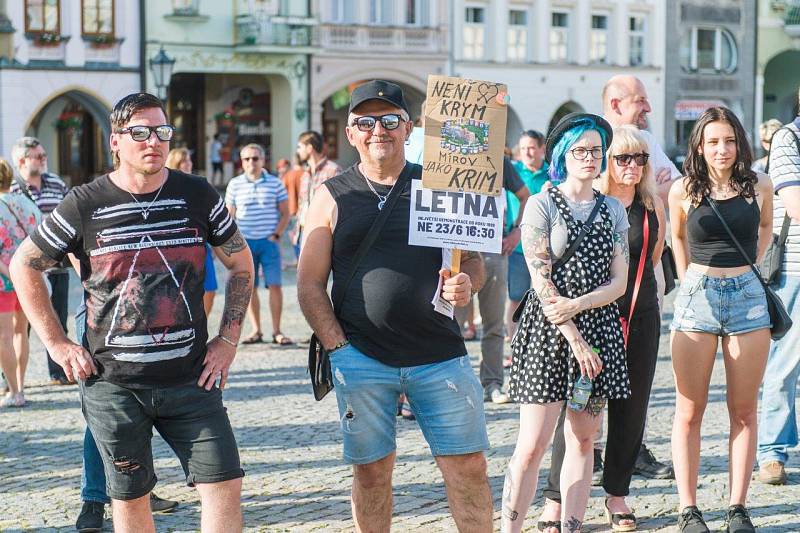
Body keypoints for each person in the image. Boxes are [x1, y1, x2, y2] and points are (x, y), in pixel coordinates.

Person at [10, 92, 253, 533]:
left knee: (224, 485)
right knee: (130, 497)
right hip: (114, 384)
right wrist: (58, 343)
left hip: (191, 378)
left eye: (162, 131)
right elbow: (24, 263)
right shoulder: (85, 204)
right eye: (139, 132)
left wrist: (228, 338)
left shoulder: (197, 194)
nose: (153, 142)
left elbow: (240, 262)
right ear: (115, 142)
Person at [297, 80, 493, 531]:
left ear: (409, 128)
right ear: (350, 133)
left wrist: (468, 284)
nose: (377, 130)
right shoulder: (331, 195)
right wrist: (338, 349)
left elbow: (476, 263)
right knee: (371, 474)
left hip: (440, 356)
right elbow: (309, 285)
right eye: (364, 122)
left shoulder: (441, 185)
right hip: (362, 357)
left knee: (468, 468)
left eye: (388, 120)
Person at [502, 113, 630, 533]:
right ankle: (510, 528)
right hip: (549, 335)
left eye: (596, 150)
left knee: (583, 438)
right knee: (533, 444)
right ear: (562, 154)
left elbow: (619, 281)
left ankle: (573, 526)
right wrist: (573, 333)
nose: (590, 158)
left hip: (598, 330)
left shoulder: (612, 208)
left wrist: (580, 305)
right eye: (581, 150)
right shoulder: (541, 202)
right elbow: (541, 279)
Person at [539, 125, 666, 532]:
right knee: (576, 409)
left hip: (641, 314)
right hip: (598, 319)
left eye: (640, 158)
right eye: (623, 158)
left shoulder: (651, 204)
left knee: (632, 409)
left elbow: (653, 259)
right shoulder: (595, 203)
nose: (633, 165)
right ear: (606, 162)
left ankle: (617, 494)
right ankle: (555, 498)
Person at [668, 106, 773, 533]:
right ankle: (689, 509)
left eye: (729, 140)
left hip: (748, 298)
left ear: (740, 143)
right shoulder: (683, 190)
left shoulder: (759, 185)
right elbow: (676, 234)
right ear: (700, 145)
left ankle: (737, 508)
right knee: (689, 410)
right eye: (713, 141)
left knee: (744, 409)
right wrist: (687, 274)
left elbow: (766, 227)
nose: (722, 149)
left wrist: (752, 265)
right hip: (698, 296)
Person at [601, 74, 677, 480]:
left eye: (639, 160)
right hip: (597, 297)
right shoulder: (589, 142)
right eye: (640, 100)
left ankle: (630, 456)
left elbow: (672, 194)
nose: (647, 108)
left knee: (635, 384)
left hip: (642, 283)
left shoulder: (650, 144)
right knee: (588, 390)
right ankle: (585, 460)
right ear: (615, 104)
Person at [453, 156, 529, 405]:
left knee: (494, 322)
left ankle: (492, 383)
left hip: (493, 249)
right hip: (456, 251)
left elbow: (525, 195)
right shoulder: (445, 156)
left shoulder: (499, 159)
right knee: (452, 325)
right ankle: (454, 386)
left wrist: (518, 231)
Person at [757, 102, 800, 486]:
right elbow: (795, 206)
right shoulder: (789, 139)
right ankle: (772, 451)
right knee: (785, 365)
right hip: (794, 271)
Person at [10, 136, 71, 386]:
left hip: (57, 266)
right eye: (38, 156)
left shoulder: (56, 183)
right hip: (28, 270)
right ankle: (11, 377)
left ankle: (59, 372)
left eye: (44, 155)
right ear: (23, 160)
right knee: (20, 326)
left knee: (58, 318)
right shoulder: (12, 190)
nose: (44, 160)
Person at [225, 143, 292, 345]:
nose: (251, 162)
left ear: (263, 160)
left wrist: (276, 235)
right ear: (242, 162)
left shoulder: (275, 183)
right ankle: (256, 330)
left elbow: (286, 213)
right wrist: (233, 242)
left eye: (255, 158)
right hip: (245, 245)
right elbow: (229, 216)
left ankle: (277, 331)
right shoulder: (234, 184)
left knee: (275, 286)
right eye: (247, 159)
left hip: (268, 242)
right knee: (249, 288)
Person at [0, 158, 40, 408]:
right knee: (20, 332)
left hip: (3, 279)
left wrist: (8, 271)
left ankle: (13, 390)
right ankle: (22, 388)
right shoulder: (27, 203)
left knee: (4, 335)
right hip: (27, 276)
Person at [506, 130, 549, 341]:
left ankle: (541, 345)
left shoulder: (554, 175)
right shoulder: (512, 171)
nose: (527, 152)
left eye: (532, 147)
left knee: (547, 296)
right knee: (516, 298)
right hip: (517, 247)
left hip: (546, 249)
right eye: (523, 148)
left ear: (542, 149)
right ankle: (514, 346)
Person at [296, 130, 341, 248]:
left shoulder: (333, 170)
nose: (298, 151)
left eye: (300, 147)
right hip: (303, 232)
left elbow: (339, 205)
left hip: (323, 235)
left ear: (309, 148)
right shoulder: (305, 173)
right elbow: (302, 203)